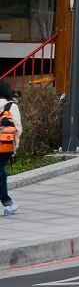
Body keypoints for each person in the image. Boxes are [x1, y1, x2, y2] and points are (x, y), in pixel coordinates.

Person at [0, 82, 20, 216]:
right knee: (1, 174)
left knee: (1, 174)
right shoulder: (12, 107)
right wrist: (15, 148)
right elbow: (18, 129)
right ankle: (7, 203)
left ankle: (7, 202)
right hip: (4, 147)